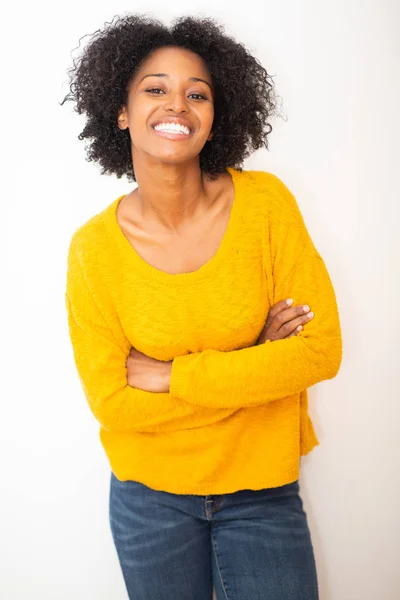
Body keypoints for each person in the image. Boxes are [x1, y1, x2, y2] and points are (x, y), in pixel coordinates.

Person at [63, 13, 342, 600]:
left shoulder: (265, 206)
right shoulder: (94, 249)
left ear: (216, 116)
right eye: (155, 89)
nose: (178, 106)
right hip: (149, 503)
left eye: (197, 94)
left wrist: (171, 375)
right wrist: (257, 366)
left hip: (263, 494)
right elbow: (115, 405)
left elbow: (319, 353)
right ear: (121, 110)